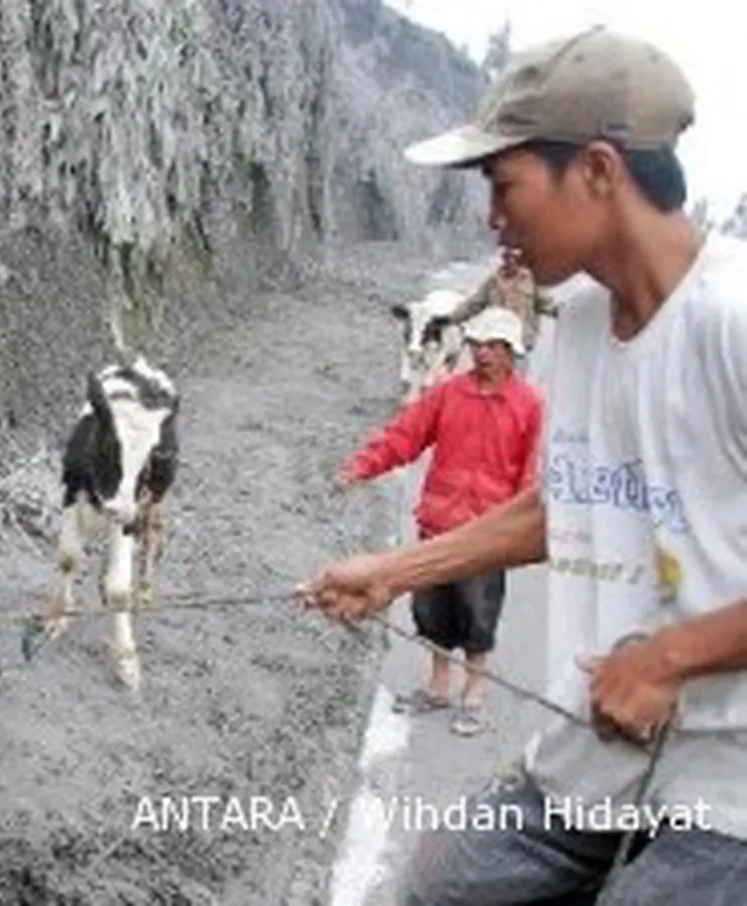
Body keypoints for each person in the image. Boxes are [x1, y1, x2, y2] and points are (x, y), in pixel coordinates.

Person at [299, 26, 747, 905]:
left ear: (598, 172)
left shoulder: (731, 320)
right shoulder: (579, 323)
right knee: (439, 884)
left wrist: (668, 659)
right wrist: (395, 570)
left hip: (732, 780)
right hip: (599, 749)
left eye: (506, 185)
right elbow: (570, 505)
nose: (493, 216)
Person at [337, 307, 542, 736]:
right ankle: (438, 684)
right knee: (431, 609)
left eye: (492, 347)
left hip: (487, 534)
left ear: (510, 353)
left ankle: (475, 693)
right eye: (477, 345)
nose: (481, 354)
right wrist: (361, 467)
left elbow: (532, 478)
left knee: (478, 614)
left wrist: (516, 533)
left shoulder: (529, 406)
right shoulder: (448, 394)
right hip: (438, 524)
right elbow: (404, 435)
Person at [432, 245, 560, 358]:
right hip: (496, 342)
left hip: (520, 343)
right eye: (507, 257)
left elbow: (546, 305)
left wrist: (564, 314)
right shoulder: (493, 282)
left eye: (514, 258)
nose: (511, 261)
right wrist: (450, 319)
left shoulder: (532, 281)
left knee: (517, 381)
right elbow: (473, 304)